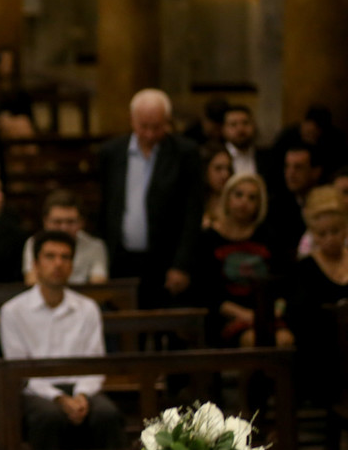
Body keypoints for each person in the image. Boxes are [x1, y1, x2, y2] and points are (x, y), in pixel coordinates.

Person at [0, 231, 125, 450]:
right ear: (36, 264)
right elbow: (19, 372)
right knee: (49, 417)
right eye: (50, 256)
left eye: (65, 257)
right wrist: (59, 398)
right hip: (37, 390)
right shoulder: (12, 311)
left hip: (82, 388)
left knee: (107, 414)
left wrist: (81, 395)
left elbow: (96, 363)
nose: (58, 263)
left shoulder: (87, 308)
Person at [97, 89, 203, 309]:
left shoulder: (185, 153)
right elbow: (104, 206)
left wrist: (181, 265)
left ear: (167, 122)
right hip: (121, 258)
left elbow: (192, 213)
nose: (149, 134)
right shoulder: (111, 153)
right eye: (143, 126)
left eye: (157, 127)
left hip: (164, 259)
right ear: (131, 120)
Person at [193, 172, 287, 348]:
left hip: (266, 313)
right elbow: (206, 292)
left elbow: (283, 281)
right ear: (227, 198)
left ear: (259, 205)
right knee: (251, 340)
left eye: (252, 198)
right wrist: (244, 315)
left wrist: (276, 311)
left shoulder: (269, 236)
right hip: (225, 315)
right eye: (238, 194)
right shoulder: (209, 238)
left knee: (285, 341)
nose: (244, 201)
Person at [286, 186, 348, 404]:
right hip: (321, 350)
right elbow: (298, 315)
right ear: (313, 235)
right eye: (322, 234)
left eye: (336, 231)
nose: (330, 238)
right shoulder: (305, 268)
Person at [21, 190, 108, 285]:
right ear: (45, 221)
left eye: (70, 222)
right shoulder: (34, 243)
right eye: (57, 222)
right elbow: (32, 283)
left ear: (82, 222)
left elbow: (98, 287)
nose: (64, 228)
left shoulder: (95, 246)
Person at [222, 105, 270, 177]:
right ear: (224, 129)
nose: (240, 129)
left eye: (245, 123)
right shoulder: (217, 157)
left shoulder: (267, 158)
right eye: (233, 124)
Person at [200, 144, 234, 229]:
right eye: (218, 168)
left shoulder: (235, 205)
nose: (225, 175)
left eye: (228, 169)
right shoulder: (194, 204)